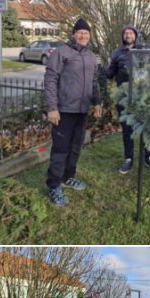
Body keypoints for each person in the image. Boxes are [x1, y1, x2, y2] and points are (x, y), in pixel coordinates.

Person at [43, 18, 102, 206]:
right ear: (74, 34)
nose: (83, 35)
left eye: (86, 33)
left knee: (76, 147)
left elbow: (94, 82)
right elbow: (50, 79)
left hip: (82, 110)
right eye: (80, 32)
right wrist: (52, 108)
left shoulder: (91, 56)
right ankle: (53, 185)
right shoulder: (61, 53)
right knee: (61, 149)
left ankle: (68, 177)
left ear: (90, 36)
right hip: (64, 110)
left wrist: (97, 103)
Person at [105, 24, 150, 175]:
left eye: (130, 33)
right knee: (127, 129)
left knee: (147, 127)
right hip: (124, 98)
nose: (128, 35)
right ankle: (128, 158)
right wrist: (102, 71)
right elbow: (110, 73)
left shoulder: (144, 49)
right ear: (123, 36)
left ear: (135, 35)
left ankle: (149, 157)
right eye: (125, 33)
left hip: (143, 96)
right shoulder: (117, 53)